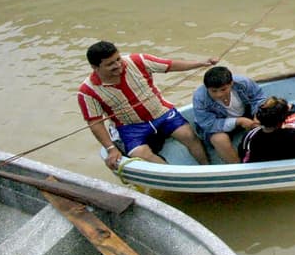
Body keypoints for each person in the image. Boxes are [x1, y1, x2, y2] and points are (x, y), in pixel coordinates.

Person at [77, 41, 214, 169]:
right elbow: (95, 123)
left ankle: (206, 167)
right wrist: (111, 149)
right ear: (95, 67)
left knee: (188, 134)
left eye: (118, 59)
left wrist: (201, 63)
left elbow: (169, 65)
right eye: (110, 64)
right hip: (129, 126)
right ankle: (172, 175)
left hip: (161, 113)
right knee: (141, 154)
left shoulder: (137, 61)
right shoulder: (87, 91)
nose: (118, 65)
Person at [191, 66, 266, 164]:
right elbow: (208, 124)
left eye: (223, 89)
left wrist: (257, 115)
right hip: (216, 125)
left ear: (231, 84)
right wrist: (239, 121)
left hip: (245, 114)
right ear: (207, 88)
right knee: (219, 139)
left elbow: (259, 98)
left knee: (268, 118)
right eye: (214, 91)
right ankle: (238, 166)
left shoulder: (243, 82)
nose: (219, 94)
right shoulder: (199, 98)